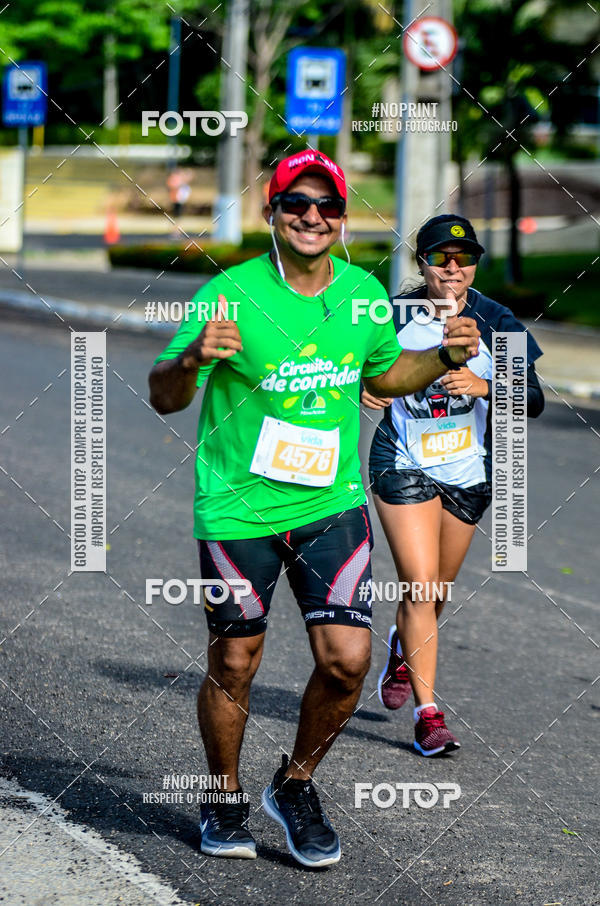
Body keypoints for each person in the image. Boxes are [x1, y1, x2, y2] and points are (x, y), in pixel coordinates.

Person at [148, 156, 481, 867]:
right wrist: (190, 363)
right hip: (239, 511)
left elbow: (385, 376)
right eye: (296, 202)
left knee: (348, 661)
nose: (312, 215)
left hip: (332, 505)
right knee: (235, 661)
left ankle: (295, 785)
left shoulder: (363, 297)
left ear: (342, 219)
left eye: (327, 205)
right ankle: (225, 797)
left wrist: (442, 355)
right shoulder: (230, 292)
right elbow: (163, 395)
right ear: (272, 212)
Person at [363, 213, 544, 757]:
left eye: (464, 259)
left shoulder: (496, 319)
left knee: (435, 594)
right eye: (441, 257)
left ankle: (402, 649)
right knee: (419, 586)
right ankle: (429, 717)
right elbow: (339, 359)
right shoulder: (393, 315)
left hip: (469, 473)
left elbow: (532, 400)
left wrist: (485, 385)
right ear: (422, 262)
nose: (453, 268)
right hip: (403, 464)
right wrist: (365, 384)